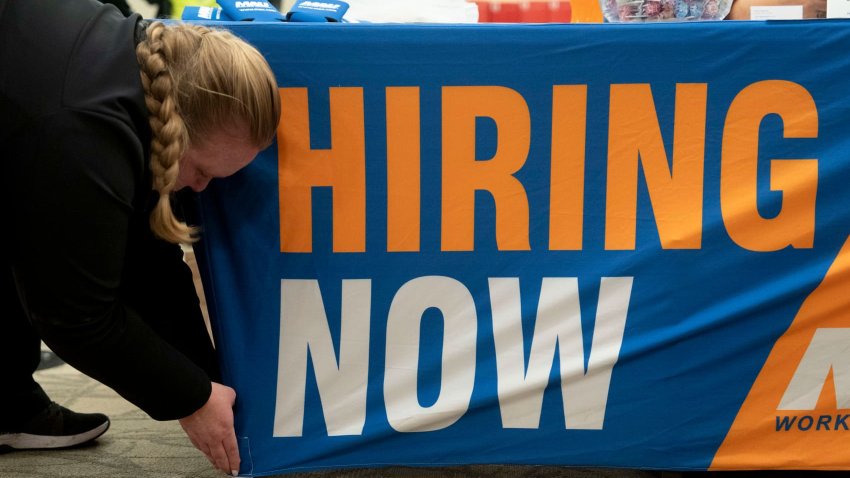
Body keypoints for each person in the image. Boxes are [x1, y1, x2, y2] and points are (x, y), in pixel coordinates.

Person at [0, 0, 281, 475]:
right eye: (203, 172)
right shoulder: (82, 130)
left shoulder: (148, 72)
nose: (201, 189)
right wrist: (190, 400)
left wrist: (210, 381)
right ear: (177, 129)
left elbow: (149, 258)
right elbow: (76, 317)